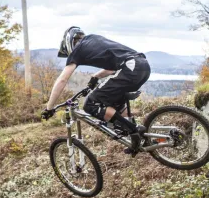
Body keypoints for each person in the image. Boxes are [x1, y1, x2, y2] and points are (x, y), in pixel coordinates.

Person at [41, 26, 151, 154]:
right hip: (142, 66)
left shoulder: (78, 49)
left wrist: (49, 108)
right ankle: (143, 137)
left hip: (131, 68)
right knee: (113, 105)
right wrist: (95, 77)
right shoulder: (93, 39)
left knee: (90, 104)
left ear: (69, 42)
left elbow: (62, 80)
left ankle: (134, 132)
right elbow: (111, 69)